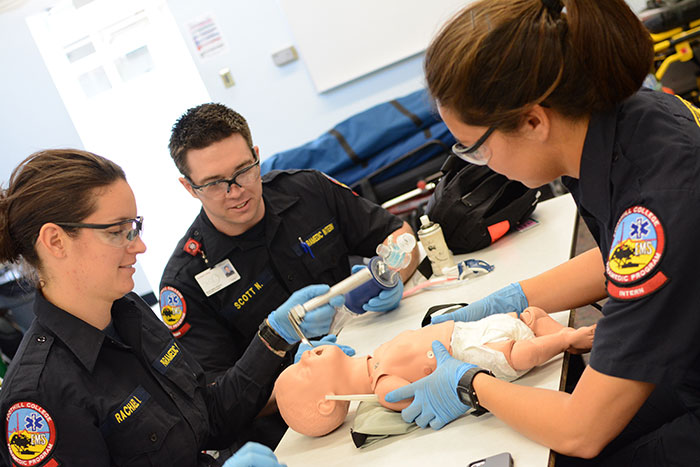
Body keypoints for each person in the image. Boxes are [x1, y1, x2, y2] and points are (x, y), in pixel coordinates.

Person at [379, 0, 700, 464]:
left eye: (475, 149)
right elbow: (627, 257)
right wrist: (508, 301)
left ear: (533, 121)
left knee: (566, 452)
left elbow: (580, 429)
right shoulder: (622, 121)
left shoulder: (659, 195)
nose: (478, 164)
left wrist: (469, 384)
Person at [0, 149, 336, 466]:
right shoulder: (39, 394)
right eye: (118, 232)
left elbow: (210, 416)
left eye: (133, 227)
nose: (139, 246)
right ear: (56, 241)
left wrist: (275, 335)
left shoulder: (128, 311)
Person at [160, 103, 419, 446]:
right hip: (299, 428)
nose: (235, 191)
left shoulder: (307, 190)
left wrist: (390, 275)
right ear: (189, 187)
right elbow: (218, 407)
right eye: (214, 183)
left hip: (376, 360)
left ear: (256, 155)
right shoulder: (185, 280)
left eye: (244, 171)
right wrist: (288, 368)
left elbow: (399, 234)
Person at [274, 306, 594, 437]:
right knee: (516, 355)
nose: (302, 357)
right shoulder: (384, 387)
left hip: (468, 331)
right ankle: (565, 339)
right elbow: (419, 395)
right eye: (302, 371)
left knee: (531, 314)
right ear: (327, 401)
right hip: (469, 354)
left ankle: (560, 338)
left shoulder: (377, 354)